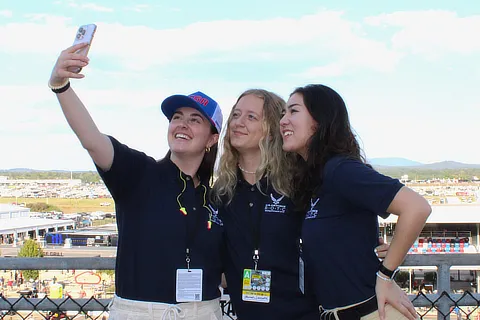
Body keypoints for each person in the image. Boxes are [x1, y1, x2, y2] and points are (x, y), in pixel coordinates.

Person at [49, 42, 224, 319]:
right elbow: (92, 140)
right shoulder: (139, 173)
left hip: (204, 311)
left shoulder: (217, 198)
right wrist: (60, 86)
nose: (181, 124)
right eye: (176, 117)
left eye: (194, 120)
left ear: (212, 139)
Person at [212, 89, 390, 320]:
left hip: (304, 312)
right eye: (235, 115)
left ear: (273, 128)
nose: (238, 122)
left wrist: (380, 264)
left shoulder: (300, 181)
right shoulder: (222, 192)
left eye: (251, 117)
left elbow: (342, 230)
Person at [280, 84, 431, 320]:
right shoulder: (316, 180)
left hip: (373, 313)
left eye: (293, 111)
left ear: (320, 120)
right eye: (283, 113)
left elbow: (417, 207)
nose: (283, 121)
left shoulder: (340, 170)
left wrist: (385, 275)